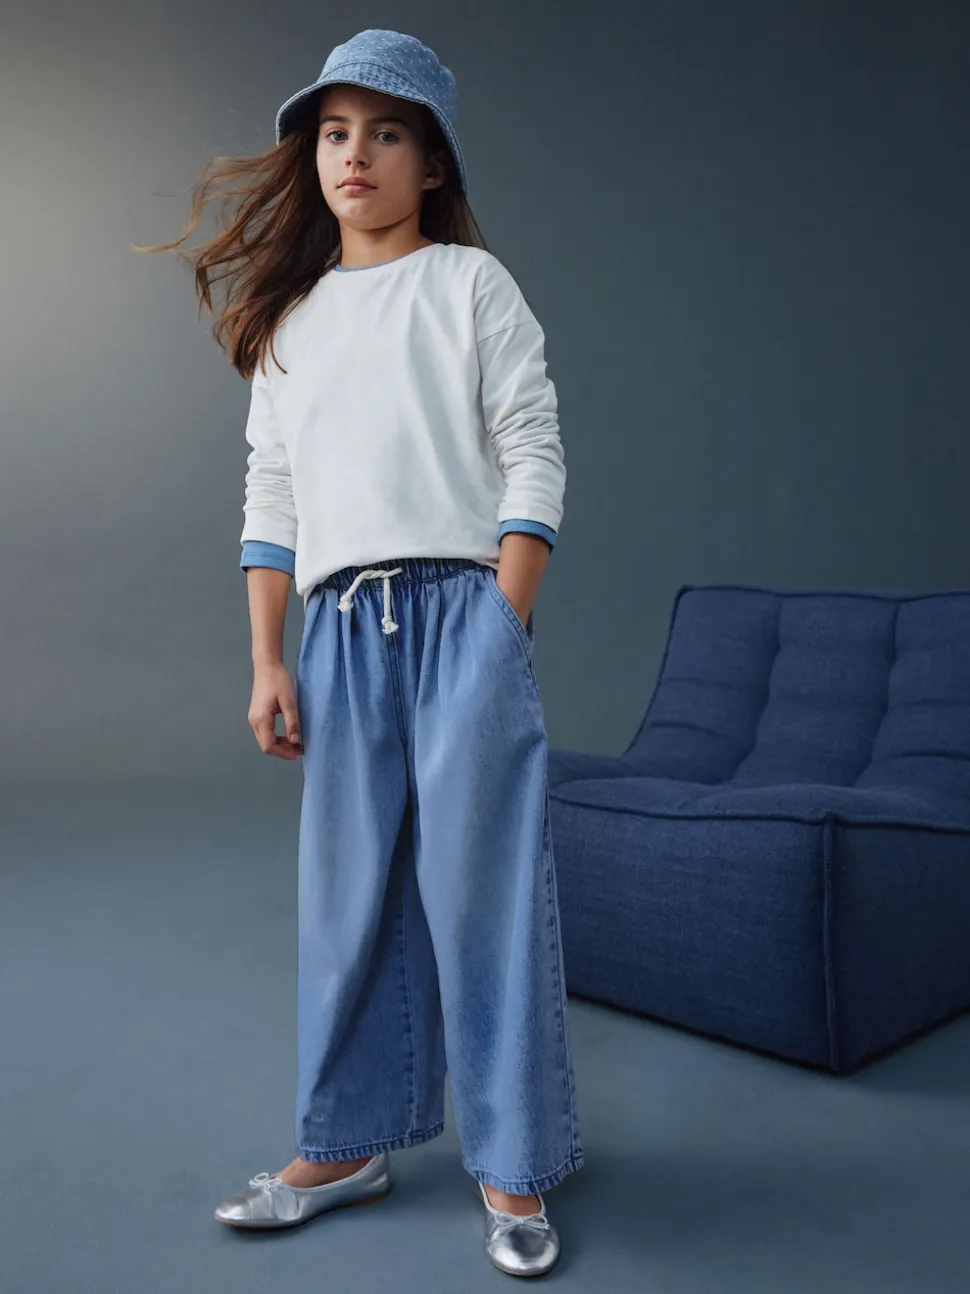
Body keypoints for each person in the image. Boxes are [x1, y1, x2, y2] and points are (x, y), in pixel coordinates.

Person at [134, 28, 583, 1278]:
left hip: (462, 614)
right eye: (335, 132)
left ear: (430, 163)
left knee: (484, 893)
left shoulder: (472, 287)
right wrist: (268, 659)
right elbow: (270, 496)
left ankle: (513, 1165)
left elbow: (533, 447)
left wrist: (503, 617)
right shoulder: (293, 322)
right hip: (335, 634)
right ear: (313, 156)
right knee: (346, 901)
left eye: (386, 132)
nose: (355, 154)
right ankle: (346, 1145)